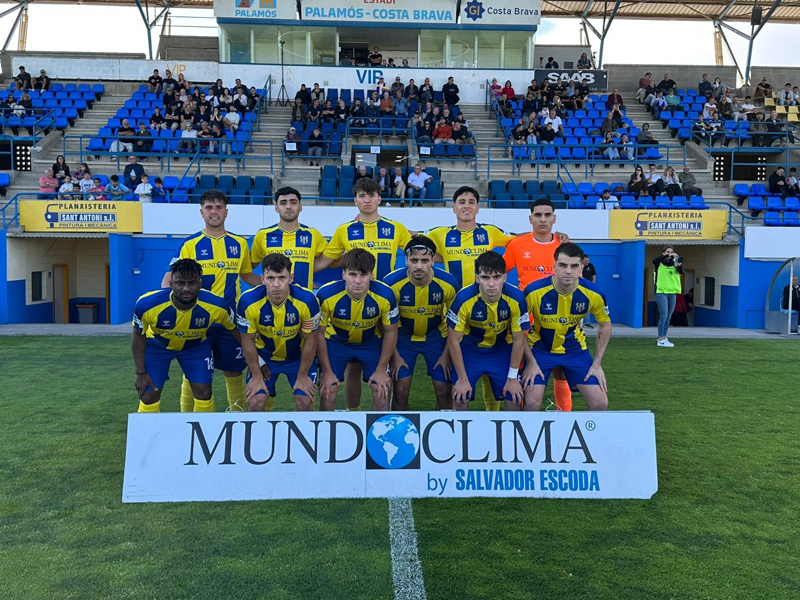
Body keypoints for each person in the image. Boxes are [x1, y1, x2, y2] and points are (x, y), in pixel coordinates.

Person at [313, 178, 411, 411]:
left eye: (371, 195)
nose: (367, 200)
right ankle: (353, 413)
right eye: (362, 196)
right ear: (355, 200)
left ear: (380, 198)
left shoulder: (396, 228)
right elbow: (326, 262)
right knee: (353, 368)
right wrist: (292, 270)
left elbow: (419, 253)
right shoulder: (344, 230)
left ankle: (385, 418)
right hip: (353, 299)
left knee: (385, 368)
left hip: (383, 303)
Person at [160, 190, 261, 412]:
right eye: (209, 207)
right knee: (192, 374)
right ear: (201, 212)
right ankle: (186, 421)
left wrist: (271, 284)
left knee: (234, 371)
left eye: (218, 207)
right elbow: (168, 281)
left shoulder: (239, 243)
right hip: (198, 321)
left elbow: (246, 275)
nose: (214, 212)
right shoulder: (190, 244)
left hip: (230, 321)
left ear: (226, 211)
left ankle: (236, 417)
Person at [132, 259, 239, 413]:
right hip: (157, 346)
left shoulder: (218, 306)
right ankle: (146, 429)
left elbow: (236, 330)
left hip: (195, 348)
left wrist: (257, 361)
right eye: (180, 283)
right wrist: (140, 372)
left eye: (192, 283)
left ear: (200, 283)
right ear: (171, 284)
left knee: (204, 393)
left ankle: (203, 429)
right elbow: (138, 336)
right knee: (148, 395)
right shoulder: (147, 304)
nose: (186, 288)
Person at [502, 198, 575, 411]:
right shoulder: (517, 245)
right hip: (527, 322)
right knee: (522, 370)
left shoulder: (564, 246)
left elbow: (576, 280)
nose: (543, 219)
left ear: (554, 218)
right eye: (538, 215)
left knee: (561, 371)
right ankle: (522, 419)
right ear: (530, 218)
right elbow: (499, 272)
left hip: (561, 320)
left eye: (547, 215)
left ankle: (564, 415)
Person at [522, 243, 611, 411]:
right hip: (540, 350)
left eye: (574, 266)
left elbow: (605, 325)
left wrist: (597, 364)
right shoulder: (533, 292)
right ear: (554, 266)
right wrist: (531, 362)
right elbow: (518, 329)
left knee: (600, 403)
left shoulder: (594, 293)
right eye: (563, 265)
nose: (568, 271)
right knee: (532, 403)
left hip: (575, 350)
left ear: (582, 267)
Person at [316, 249, 398, 411]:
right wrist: (326, 371)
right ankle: (345, 418)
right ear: (343, 274)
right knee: (328, 390)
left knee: (382, 390)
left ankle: (378, 426)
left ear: (371, 275)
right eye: (353, 274)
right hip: (336, 342)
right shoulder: (326, 294)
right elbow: (318, 333)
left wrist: (381, 369)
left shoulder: (385, 294)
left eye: (363, 275)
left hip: (370, 342)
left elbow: (391, 331)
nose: (358, 281)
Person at [237, 253, 320, 411]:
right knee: (255, 401)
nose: (276, 284)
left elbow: (311, 340)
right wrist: (256, 374)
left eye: (282, 277)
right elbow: (247, 340)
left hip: (297, 358)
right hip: (266, 357)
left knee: (305, 401)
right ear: (262, 279)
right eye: (271, 278)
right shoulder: (247, 301)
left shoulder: (307, 300)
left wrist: (302, 376)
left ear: (291, 278)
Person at [447, 251, 529, 410]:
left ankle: (508, 428)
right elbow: (453, 340)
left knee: (514, 398)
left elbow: (519, 339)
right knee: (460, 398)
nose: (491, 284)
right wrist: (462, 379)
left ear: (505, 277)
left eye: (496, 277)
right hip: (470, 350)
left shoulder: (517, 298)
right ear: (477, 278)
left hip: (501, 349)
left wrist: (512, 378)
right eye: (485, 277)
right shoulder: (463, 298)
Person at [384, 236, 458, 410]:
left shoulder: (448, 283)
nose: (418, 266)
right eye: (414, 260)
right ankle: (400, 427)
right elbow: (386, 327)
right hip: (403, 338)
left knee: (444, 391)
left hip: (436, 337)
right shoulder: (391, 283)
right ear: (406, 261)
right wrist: (394, 356)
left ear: (432, 261)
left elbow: (454, 324)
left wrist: (446, 354)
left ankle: (442, 427)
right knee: (400, 391)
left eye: (424, 261)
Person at [653, 245, 684, 347]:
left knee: (668, 317)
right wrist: (667, 256)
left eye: (671, 252)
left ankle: (664, 337)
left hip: (672, 293)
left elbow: (680, 272)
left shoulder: (674, 264)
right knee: (663, 316)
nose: (670, 254)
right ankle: (660, 339)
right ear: (663, 253)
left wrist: (678, 263)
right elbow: (654, 260)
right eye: (667, 252)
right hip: (661, 292)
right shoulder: (659, 263)